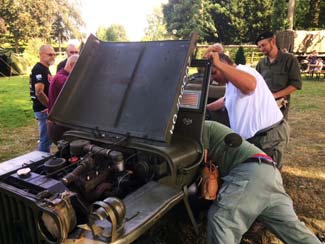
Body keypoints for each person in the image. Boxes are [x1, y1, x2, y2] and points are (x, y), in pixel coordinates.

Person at [203, 120, 322, 244]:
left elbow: (199, 160)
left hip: (251, 172)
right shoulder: (208, 127)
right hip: (269, 171)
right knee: (291, 229)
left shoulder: (201, 128)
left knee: (222, 219)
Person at [205, 50, 288, 165]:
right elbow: (225, 100)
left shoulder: (244, 71)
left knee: (265, 177)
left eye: (214, 73)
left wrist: (218, 64)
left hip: (267, 139)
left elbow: (250, 85)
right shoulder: (231, 83)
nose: (212, 78)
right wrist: (205, 108)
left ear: (225, 65)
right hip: (255, 139)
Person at [256, 31, 302, 120]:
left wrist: (275, 96)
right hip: (263, 104)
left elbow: (296, 84)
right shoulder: (261, 64)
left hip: (280, 104)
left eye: (263, 45)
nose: (261, 49)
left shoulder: (289, 59)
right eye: (259, 47)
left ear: (272, 41)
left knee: (279, 129)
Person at [29, 44, 55, 152]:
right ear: (41, 55)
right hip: (43, 110)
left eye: (54, 54)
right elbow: (39, 92)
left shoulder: (45, 69)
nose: (53, 57)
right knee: (45, 139)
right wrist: (50, 106)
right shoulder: (39, 69)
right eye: (50, 54)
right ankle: (42, 162)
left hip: (44, 109)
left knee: (48, 138)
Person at [48, 54, 79, 143]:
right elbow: (75, 89)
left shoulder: (62, 76)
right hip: (59, 126)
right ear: (72, 65)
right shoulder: (61, 78)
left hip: (60, 124)